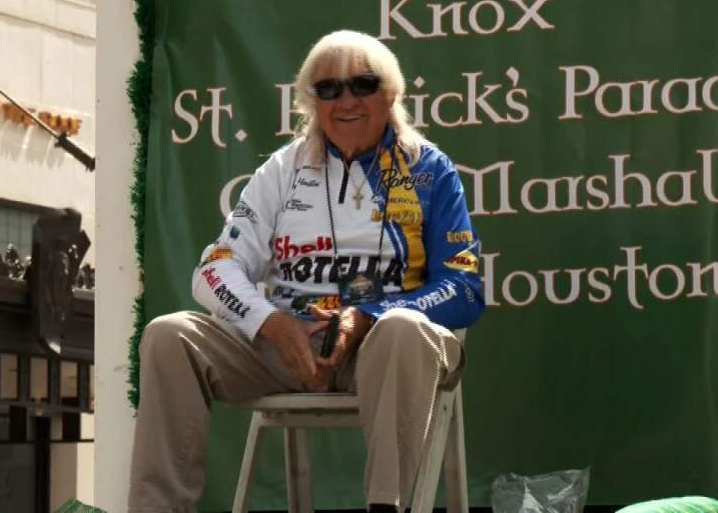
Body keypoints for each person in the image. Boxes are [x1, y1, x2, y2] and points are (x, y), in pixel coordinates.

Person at [127, 30, 485, 513]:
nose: (346, 100)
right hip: (285, 346)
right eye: (329, 89)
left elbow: (463, 286)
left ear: (391, 94)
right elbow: (214, 269)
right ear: (310, 102)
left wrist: (370, 316)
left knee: (403, 328)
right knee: (169, 335)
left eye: (362, 84)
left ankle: (387, 507)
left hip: (382, 351)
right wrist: (271, 324)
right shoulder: (282, 168)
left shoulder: (428, 168)